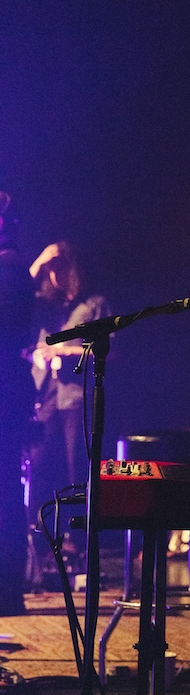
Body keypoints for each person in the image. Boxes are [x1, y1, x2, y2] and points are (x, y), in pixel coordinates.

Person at [25, 241, 110, 538]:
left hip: (75, 397)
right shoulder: (47, 307)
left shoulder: (93, 304)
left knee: (78, 467)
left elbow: (108, 349)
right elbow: (18, 293)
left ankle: (80, 536)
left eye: (58, 268)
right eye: (49, 270)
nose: (52, 276)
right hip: (47, 394)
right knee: (39, 461)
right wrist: (40, 260)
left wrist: (64, 351)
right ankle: (41, 531)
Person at [0, 192, 35, 615]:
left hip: (5, 388)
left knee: (5, 490)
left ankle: (7, 592)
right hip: (9, 385)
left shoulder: (9, 270)